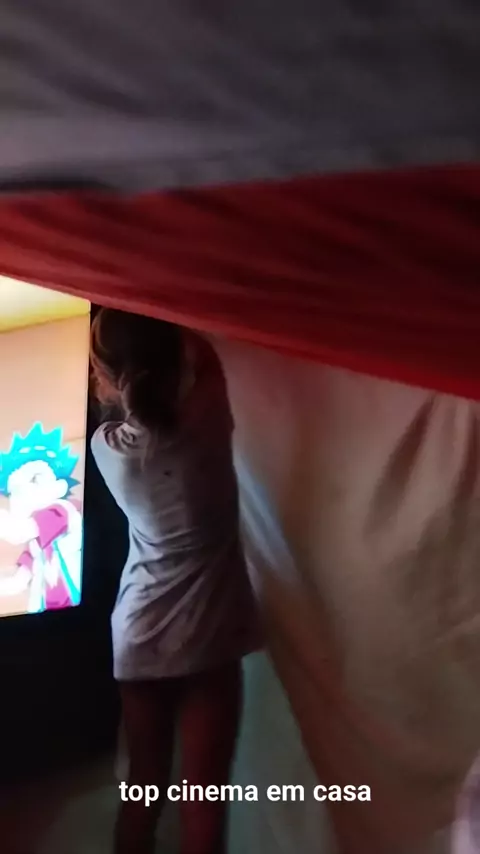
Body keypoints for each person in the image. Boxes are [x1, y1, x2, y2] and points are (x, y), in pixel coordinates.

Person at [89, 308, 260, 854]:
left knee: (143, 789)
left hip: (140, 633)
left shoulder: (107, 447)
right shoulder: (207, 420)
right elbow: (203, 356)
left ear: (110, 377)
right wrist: (163, 304)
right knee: (203, 801)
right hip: (209, 635)